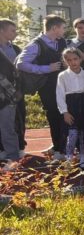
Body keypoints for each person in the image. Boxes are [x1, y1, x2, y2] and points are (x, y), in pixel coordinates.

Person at [16, 14, 68, 160]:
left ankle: (62, 147)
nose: (64, 31)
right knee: (54, 115)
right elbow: (20, 64)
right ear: (54, 28)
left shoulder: (62, 42)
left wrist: (66, 63)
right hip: (47, 87)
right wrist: (46, 68)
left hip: (63, 84)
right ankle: (58, 149)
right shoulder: (35, 44)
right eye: (63, 28)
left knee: (64, 115)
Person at [56, 48, 84, 170]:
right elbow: (60, 95)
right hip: (70, 106)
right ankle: (69, 159)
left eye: (75, 59)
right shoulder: (62, 76)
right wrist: (64, 112)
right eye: (69, 60)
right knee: (71, 134)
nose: (73, 62)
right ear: (65, 61)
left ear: (80, 59)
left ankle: (83, 159)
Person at [0, 19, 23, 154]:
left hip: (9, 95)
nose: (16, 33)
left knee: (9, 125)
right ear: (2, 31)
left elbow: (19, 72)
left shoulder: (15, 49)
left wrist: (17, 90)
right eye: (12, 30)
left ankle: (14, 155)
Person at [0, 47, 19, 169]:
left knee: (7, 129)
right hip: (6, 98)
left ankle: (13, 160)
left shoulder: (4, 63)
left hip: (6, 99)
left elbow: (11, 79)